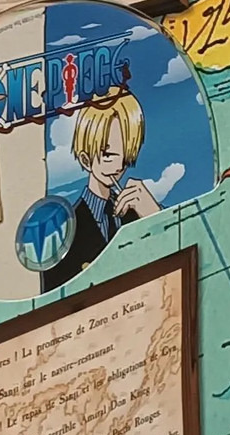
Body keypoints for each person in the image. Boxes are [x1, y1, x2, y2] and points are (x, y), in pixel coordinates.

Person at [37, 92, 164, 291]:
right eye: (108, 155)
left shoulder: (139, 211)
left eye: (126, 157)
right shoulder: (64, 232)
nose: (118, 166)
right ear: (85, 159)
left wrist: (156, 216)